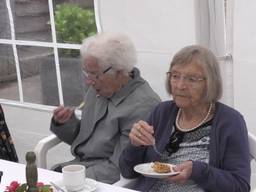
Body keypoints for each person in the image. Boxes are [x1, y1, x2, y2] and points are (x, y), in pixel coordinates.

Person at [119, 45, 251, 192]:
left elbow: (240, 186)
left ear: (210, 83)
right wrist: (135, 145)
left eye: (192, 79)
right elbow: (127, 172)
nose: (180, 85)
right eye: (175, 76)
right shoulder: (162, 112)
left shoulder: (230, 121)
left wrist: (198, 171)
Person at [50, 32, 161, 184]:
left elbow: (118, 168)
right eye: (86, 73)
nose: (88, 81)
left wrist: (68, 181)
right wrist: (64, 122)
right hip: (79, 168)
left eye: (94, 74)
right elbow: (83, 141)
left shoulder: (143, 106)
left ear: (120, 71)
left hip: (103, 180)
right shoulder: (99, 89)